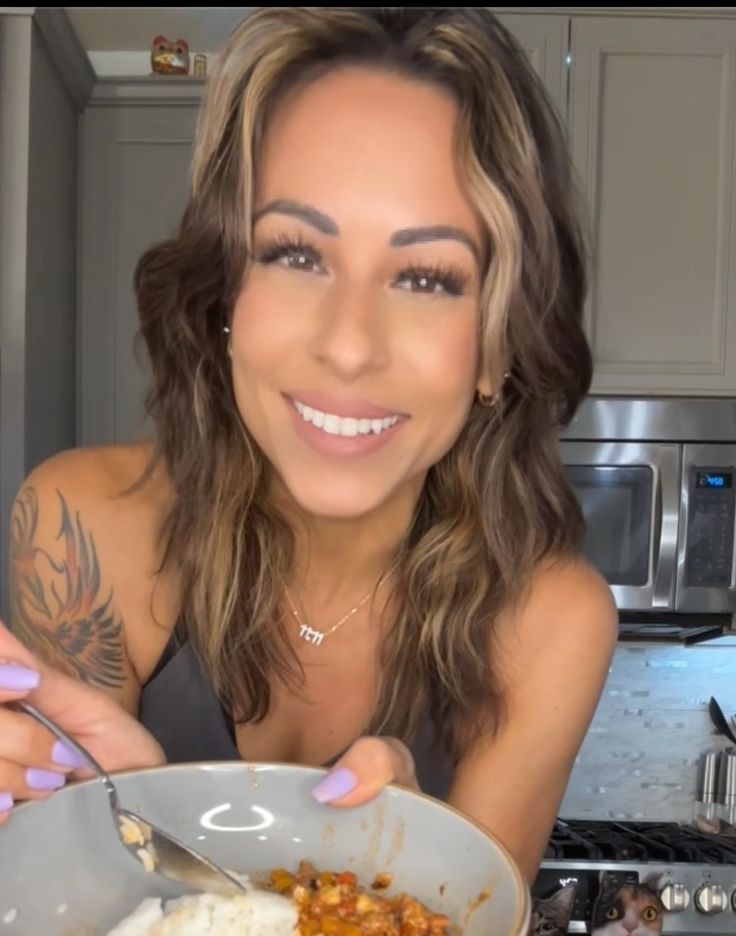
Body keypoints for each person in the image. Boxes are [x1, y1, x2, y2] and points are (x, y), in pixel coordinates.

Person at [0, 6, 617, 883]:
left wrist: (395, 880)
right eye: (295, 254)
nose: (350, 344)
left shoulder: (553, 624)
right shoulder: (85, 527)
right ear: (224, 298)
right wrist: (117, 828)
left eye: (426, 277)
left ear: (497, 349)